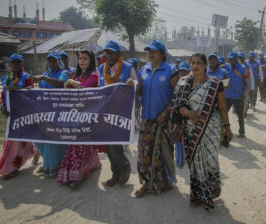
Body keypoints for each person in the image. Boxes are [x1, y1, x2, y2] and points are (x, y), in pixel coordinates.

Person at [171, 53, 232, 210]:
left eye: (199, 63)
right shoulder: (183, 83)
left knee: (211, 161)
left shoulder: (215, 83)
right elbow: (177, 107)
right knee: (195, 163)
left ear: (205, 66)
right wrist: (189, 113)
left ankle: (210, 192)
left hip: (211, 128)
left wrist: (227, 127)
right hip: (191, 129)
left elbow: (223, 106)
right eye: (192, 62)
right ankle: (195, 195)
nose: (195, 65)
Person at [135, 40, 179, 197]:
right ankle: (147, 182)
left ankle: (164, 181)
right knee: (144, 151)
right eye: (149, 51)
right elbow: (140, 92)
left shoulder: (171, 70)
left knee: (162, 152)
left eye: (154, 51)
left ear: (162, 53)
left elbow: (177, 96)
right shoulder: (144, 69)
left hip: (163, 120)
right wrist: (133, 87)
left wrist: (165, 113)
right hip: (146, 119)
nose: (150, 54)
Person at [56, 50, 101, 188]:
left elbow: (86, 88)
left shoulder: (94, 74)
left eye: (85, 59)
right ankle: (92, 164)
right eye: (80, 58)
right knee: (74, 144)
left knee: (82, 145)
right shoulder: (75, 74)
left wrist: (71, 82)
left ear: (91, 61)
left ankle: (77, 176)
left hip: (87, 115)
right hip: (74, 114)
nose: (82, 61)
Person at [98, 40, 137, 187]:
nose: (109, 56)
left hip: (121, 112)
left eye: (112, 53)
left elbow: (137, 84)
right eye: (107, 53)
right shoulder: (102, 68)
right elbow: (98, 88)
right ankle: (115, 173)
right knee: (108, 145)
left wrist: (132, 83)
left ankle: (125, 167)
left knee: (115, 144)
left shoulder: (128, 67)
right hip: (106, 111)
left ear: (119, 54)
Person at [0, 53, 38, 180]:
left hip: (22, 114)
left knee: (17, 141)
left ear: (22, 64)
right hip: (10, 114)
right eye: (14, 62)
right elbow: (3, 94)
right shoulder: (6, 79)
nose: (16, 64)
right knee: (15, 140)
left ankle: (11, 167)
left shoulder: (26, 78)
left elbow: (31, 94)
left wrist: (19, 89)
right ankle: (33, 152)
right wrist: (2, 106)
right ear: (10, 64)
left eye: (19, 62)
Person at [33, 52, 69, 176]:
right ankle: (48, 162)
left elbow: (60, 84)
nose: (52, 63)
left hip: (59, 112)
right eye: (50, 61)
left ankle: (54, 166)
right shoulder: (45, 74)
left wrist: (43, 78)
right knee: (39, 139)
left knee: (53, 139)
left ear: (58, 62)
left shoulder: (64, 73)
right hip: (44, 112)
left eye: (54, 61)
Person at [224, 51, 250, 138]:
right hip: (227, 96)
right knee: (223, 114)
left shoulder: (243, 68)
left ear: (236, 59)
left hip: (239, 96)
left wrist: (244, 94)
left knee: (240, 115)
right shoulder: (226, 67)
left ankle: (242, 132)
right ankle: (223, 131)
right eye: (229, 59)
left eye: (231, 59)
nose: (230, 60)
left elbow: (247, 85)